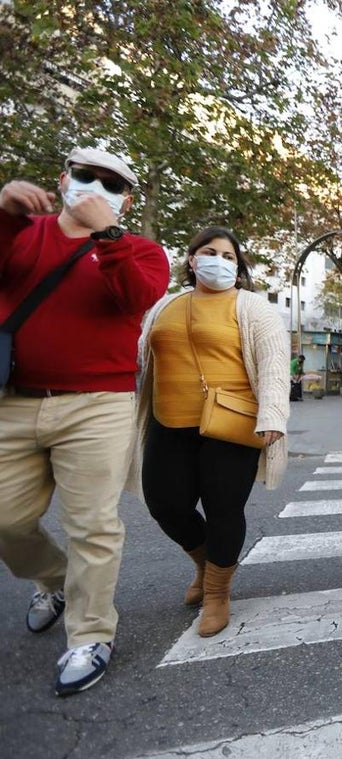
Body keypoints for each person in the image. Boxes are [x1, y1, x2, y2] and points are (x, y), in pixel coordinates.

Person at [0, 147, 169, 695]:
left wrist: (109, 238)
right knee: (5, 519)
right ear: (63, 177)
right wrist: (5, 212)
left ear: (127, 199)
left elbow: (137, 297)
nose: (96, 188)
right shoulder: (26, 233)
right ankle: (54, 582)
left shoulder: (140, 250)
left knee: (93, 525)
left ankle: (92, 633)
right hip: (15, 399)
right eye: (85, 176)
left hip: (98, 404)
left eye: (112, 184)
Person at [131, 227, 289, 637]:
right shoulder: (164, 305)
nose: (218, 259)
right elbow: (142, 360)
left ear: (238, 269)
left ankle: (217, 592)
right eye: (208, 251)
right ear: (191, 260)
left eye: (228, 255)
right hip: (169, 423)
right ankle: (204, 561)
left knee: (223, 510)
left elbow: (273, 363)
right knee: (165, 504)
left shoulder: (253, 307)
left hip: (232, 424)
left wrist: (272, 416)